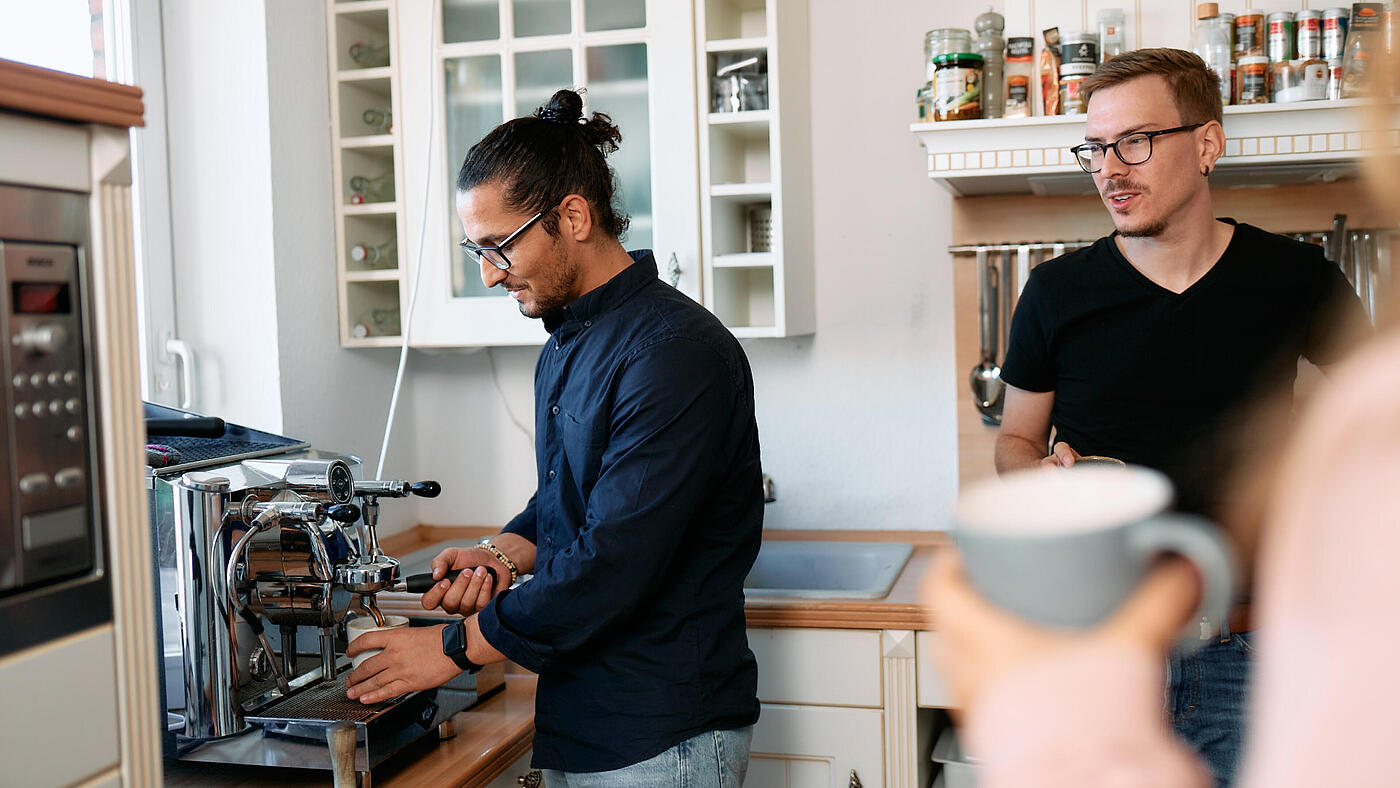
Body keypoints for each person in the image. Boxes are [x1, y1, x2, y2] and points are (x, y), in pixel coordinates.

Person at [344, 89, 763, 786]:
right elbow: (571, 496)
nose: (488, 274)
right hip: (585, 716)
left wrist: (449, 650)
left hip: (663, 733)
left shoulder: (675, 352)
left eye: (498, 247)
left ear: (572, 215)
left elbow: (612, 559)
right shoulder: (569, 341)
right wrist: (499, 553)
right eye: (475, 250)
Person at [991, 48, 1368, 785]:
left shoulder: (1296, 281)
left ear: (1207, 144)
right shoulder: (1054, 293)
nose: (1109, 169)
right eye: (1095, 149)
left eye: (1134, 141)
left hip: (1256, 653)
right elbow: (1014, 439)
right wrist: (1037, 476)